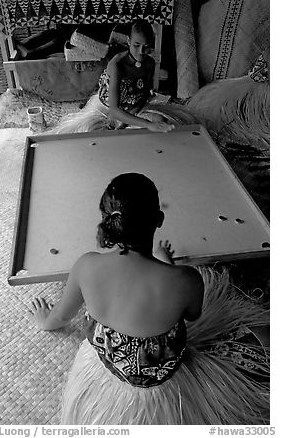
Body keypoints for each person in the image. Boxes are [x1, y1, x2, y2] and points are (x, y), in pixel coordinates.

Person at [28, 173, 269, 425]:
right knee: (264, 336)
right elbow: (193, 316)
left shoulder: (86, 265)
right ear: (159, 219)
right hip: (167, 390)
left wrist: (45, 321)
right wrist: (165, 262)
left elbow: (62, 316)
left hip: (106, 376)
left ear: (107, 220)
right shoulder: (186, 280)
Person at [53, 21, 174, 133]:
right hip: (108, 109)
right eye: (136, 45)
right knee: (93, 133)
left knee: (160, 123)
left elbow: (144, 94)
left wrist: (133, 115)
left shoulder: (150, 63)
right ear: (128, 41)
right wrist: (147, 124)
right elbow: (114, 110)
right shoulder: (117, 65)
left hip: (133, 107)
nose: (141, 51)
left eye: (146, 46)